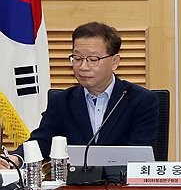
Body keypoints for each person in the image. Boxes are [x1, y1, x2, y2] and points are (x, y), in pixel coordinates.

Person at [8, 22, 158, 167]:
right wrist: (15, 159)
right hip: (74, 183)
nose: (83, 67)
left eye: (93, 59)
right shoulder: (61, 101)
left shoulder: (141, 100)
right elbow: (43, 140)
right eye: (77, 58)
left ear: (114, 62)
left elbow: (140, 152)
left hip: (122, 182)